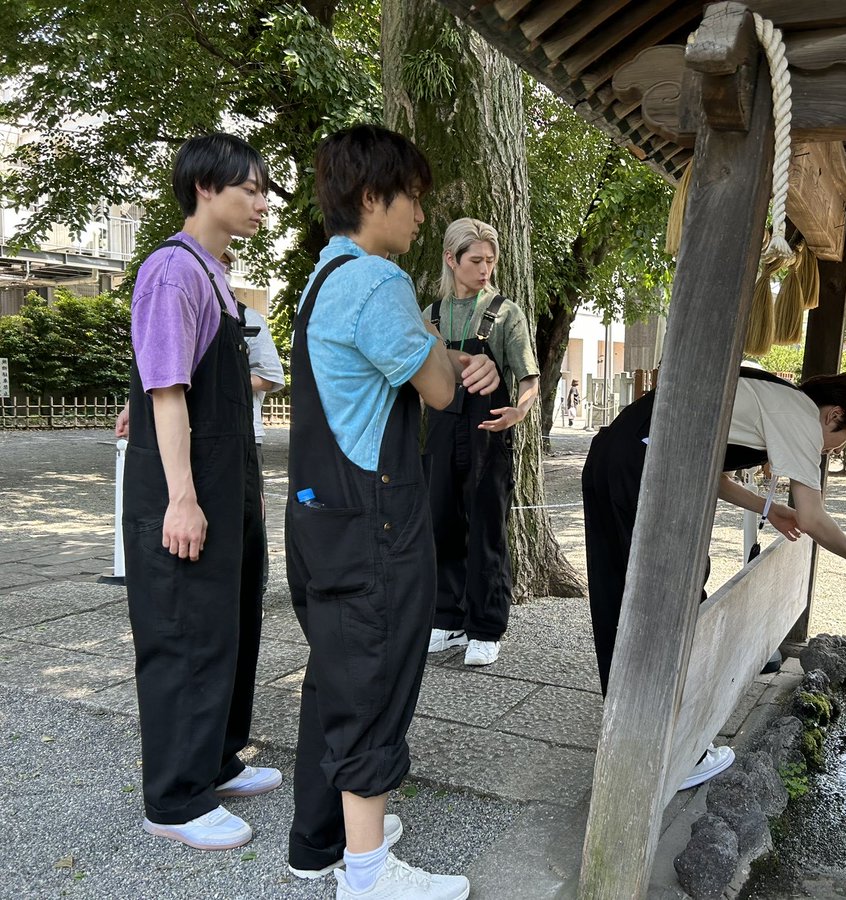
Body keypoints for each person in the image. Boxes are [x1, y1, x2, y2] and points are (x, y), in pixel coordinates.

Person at [285, 125, 496, 900]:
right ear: (373, 197)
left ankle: (321, 841)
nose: (420, 216)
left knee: (336, 677)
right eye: (412, 198)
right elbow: (437, 389)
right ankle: (368, 875)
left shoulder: (323, 278)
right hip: (372, 520)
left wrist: (435, 349)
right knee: (375, 680)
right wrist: (445, 348)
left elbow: (395, 370)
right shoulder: (378, 282)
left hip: (320, 515)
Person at [582, 367, 846, 789]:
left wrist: (769, 508)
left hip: (613, 457)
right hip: (648, 471)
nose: (840, 448)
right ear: (834, 415)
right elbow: (813, 516)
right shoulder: (802, 416)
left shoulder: (774, 398)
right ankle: (679, 755)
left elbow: (710, 471)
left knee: (619, 595)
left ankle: (632, 738)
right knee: (675, 601)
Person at [122, 133, 279, 851]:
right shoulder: (171, 271)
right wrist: (181, 498)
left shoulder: (216, 273)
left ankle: (217, 760)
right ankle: (176, 800)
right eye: (249, 188)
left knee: (229, 621)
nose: (262, 202)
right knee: (184, 630)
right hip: (187, 487)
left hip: (227, 478)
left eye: (263, 189)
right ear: (204, 189)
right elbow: (166, 391)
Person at [423, 218, 540, 667]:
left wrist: (519, 412)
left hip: (489, 431)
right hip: (439, 431)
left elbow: (528, 377)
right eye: (475, 260)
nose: (485, 268)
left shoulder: (506, 313)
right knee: (440, 522)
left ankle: (487, 628)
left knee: (487, 527)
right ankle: (447, 618)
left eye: (490, 260)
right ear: (451, 260)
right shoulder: (430, 316)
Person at [242, 304, 284, 589]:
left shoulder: (247, 317)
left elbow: (271, 376)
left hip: (246, 432)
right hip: (192, 431)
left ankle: (257, 584)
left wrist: (223, 378)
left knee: (251, 513)